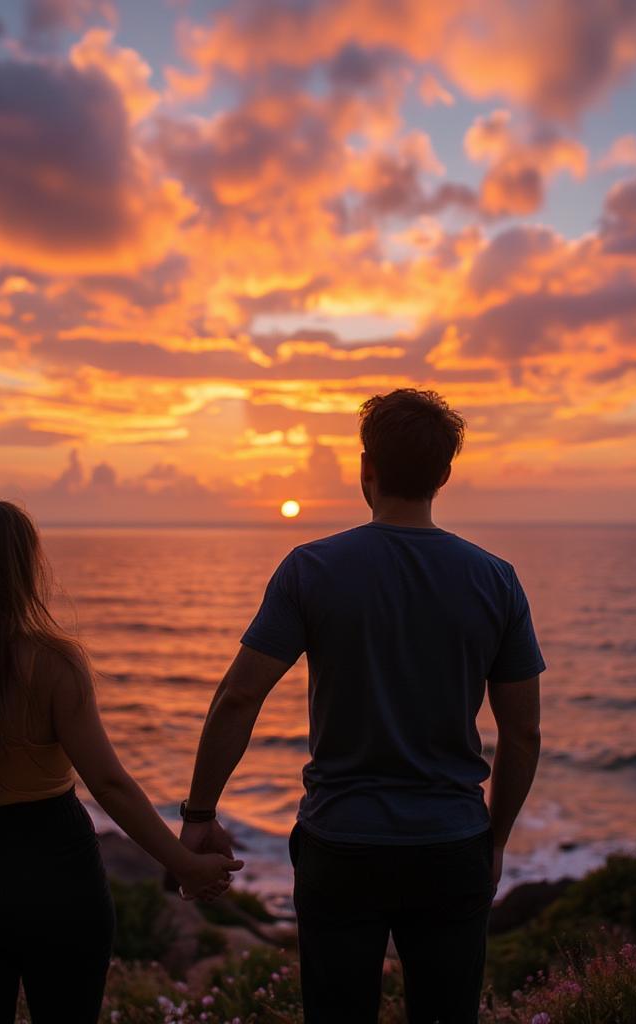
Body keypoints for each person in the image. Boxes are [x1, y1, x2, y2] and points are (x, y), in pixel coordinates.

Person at [179, 389, 545, 1023]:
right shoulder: (496, 579)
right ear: (445, 475)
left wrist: (200, 812)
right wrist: (496, 839)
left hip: (340, 844)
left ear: (364, 468)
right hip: (451, 843)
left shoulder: (311, 568)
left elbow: (239, 696)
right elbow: (524, 735)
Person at [0, 501, 242, 1024]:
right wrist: (184, 865)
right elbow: (109, 784)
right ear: (23, 569)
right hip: (57, 867)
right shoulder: (53, 660)